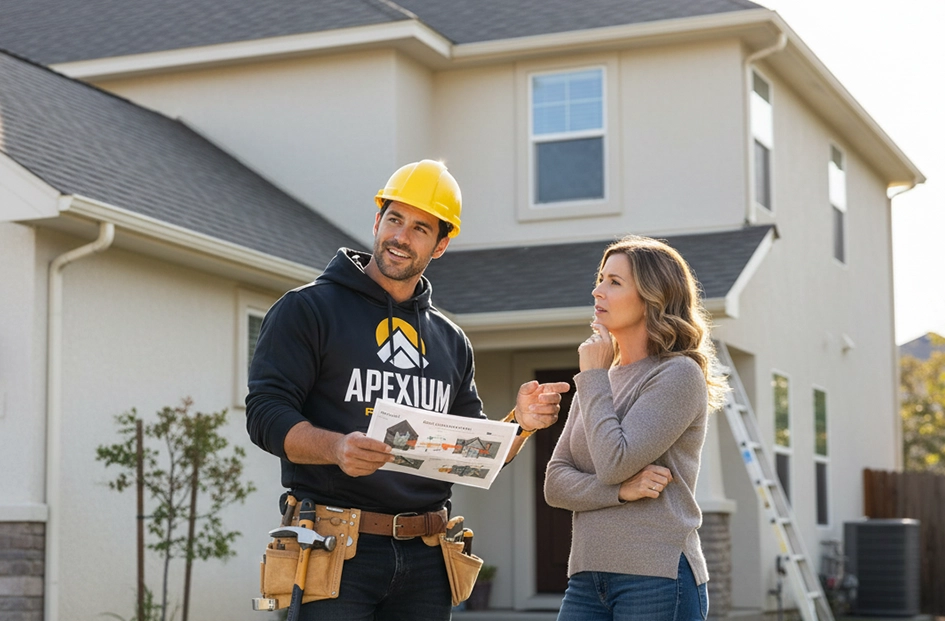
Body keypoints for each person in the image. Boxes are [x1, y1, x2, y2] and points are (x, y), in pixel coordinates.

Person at [246, 159, 569, 621]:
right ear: (377, 220)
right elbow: (265, 413)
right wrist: (337, 447)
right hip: (335, 549)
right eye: (394, 219)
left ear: (441, 244)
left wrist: (519, 421)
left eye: (420, 228)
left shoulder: (450, 340)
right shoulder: (308, 310)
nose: (400, 236)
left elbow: (471, 450)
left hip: (427, 556)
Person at [544, 235, 729, 621]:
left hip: (656, 577)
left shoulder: (677, 374)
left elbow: (614, 461)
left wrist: (592, 376)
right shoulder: (598, 380)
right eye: (600, 278)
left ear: (652, 297)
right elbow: (555, 483)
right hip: (586, 576)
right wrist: (622, 493)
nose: (597, 290)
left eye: (614, 282)